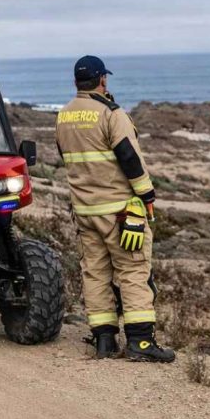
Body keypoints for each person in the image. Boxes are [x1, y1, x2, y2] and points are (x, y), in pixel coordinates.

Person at [55, 55, 175, 363]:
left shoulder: (63, 116)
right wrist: (147, 194)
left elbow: (66, 157)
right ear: (102, 80)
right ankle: (141, 342)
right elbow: (129, 158)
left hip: (84, 211)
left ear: (75, 82)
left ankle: (104, 340)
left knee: (95, 272)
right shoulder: (111, 113)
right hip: (119, 211)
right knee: (133, 270)